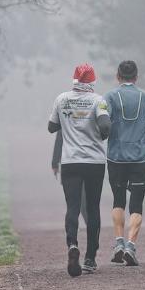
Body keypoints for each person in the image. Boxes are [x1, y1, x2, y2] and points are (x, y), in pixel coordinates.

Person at [48, 63, 111, 277]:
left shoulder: (62, 99)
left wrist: (69, 121)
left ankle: (72, 244)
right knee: (93, 208)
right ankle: (90, 258)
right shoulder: (98, 100)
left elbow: (51, 127)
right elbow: (105, 126)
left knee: (72, 207)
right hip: (94, 162)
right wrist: (99, 137)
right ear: (92, 81)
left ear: (74, 79)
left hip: (70, 161)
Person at [104, 60, 145, 266]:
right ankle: (131, 246)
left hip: (116, 156)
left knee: (118, 200)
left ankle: (118, 243)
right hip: (140, 156)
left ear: (118, 76)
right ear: (136, 76)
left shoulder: (109, 97)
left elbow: (102, 123)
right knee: (137, 204)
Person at [52, 131, 87, 220]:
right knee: (84, 199)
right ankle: (90, 226)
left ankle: (72, 230)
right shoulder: (90, 117)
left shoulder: (65, 117)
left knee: (73, 202)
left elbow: (59, 138)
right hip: (87, 162)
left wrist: (55, 162)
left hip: (69, 163)